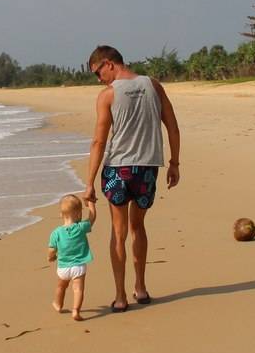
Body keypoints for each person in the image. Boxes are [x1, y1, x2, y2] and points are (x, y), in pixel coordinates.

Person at [83, 45, 180, 312]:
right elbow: (172, 125)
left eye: (97, 72)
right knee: (138, 227)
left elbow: (99, 141)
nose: (98, 79)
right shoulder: (153, 85)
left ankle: (120, 296)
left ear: (108, 63)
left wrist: (89, 182)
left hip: (118, 170)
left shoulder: (108, 95)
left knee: (119, 231)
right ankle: (141, 287)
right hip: (147, 169)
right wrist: (174, 162)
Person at [47, 193, 97, 321]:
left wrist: (51, 257)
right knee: (78, 289)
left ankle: (58, 304)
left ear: (61, 214)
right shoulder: (81, 228)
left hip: (63, 267)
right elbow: (92, 218)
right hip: (79, 266)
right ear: (79, 215)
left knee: (61, 286)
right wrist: (91, 203)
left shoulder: (56, 233)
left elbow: (51, 250)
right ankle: (75, 311)